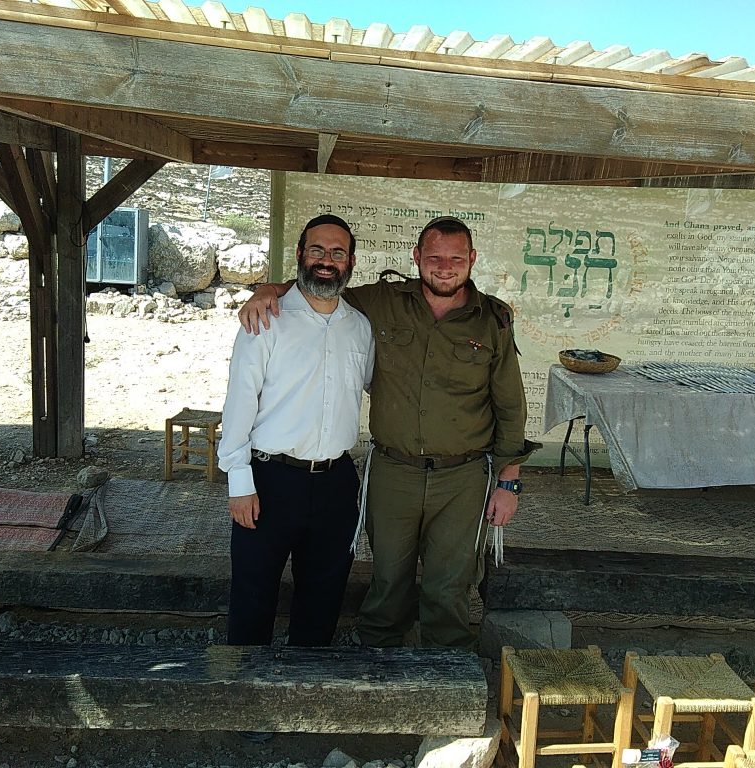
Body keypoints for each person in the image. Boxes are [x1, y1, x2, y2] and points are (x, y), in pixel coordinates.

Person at [239, 215, 536, 650]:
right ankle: (380, 676)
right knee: (387, 582)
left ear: (472, 260)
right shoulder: (381, 302)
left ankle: (445, 688)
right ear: (417, 258)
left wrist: (509, 481)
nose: (445, 267)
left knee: (449, 586)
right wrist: (270, 289)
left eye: (456, 258)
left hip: (463, 477)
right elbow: (322, 280)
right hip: (394, 471)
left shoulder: (493, 320)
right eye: (434, 257)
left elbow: (510, 404)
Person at [218, 213, 374, 653]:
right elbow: (239, 404)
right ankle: (248, 698)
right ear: (301, 256)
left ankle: (305, 697)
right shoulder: (265, 321)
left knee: (323, 599)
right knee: (253, 594)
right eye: (318, 250)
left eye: (337, 252)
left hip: (336, 484)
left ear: (351, 262)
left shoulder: (360, 328)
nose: (327, 260)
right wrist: (238, 481)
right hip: (269, 480)